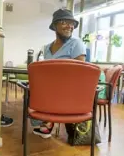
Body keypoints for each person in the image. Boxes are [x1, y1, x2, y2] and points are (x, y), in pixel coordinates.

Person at [31, 8, 86, 138]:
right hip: (50, 88)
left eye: (72, 23)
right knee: (31, 89)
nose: (69, 26)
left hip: (68, 90)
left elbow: (81, 74)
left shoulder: (76, 44)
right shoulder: (47, 48)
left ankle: (48, 122)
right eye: (64, 22)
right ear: (55, 25)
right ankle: (47, 121)